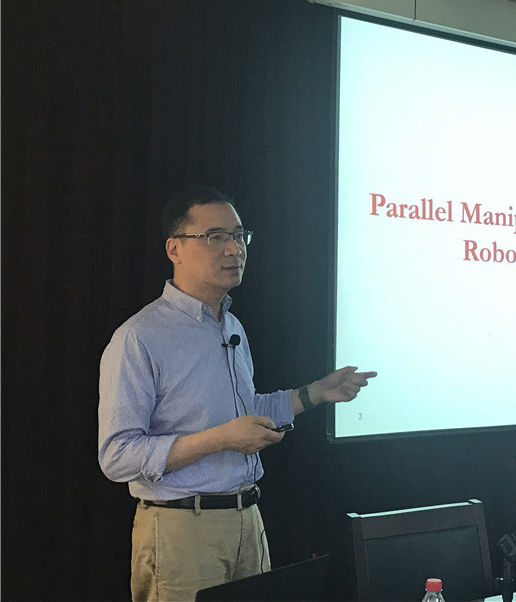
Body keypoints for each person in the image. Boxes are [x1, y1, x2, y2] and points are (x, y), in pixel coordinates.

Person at [98, 185, 376, 601]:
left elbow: (249, 410)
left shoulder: (232, 327)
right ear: (175, 249)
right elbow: (117, 455)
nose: (234, 249)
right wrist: (222, 439)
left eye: (239, 235)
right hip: (181, 529)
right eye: (215, 237)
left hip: (248, 520)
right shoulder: (140, 337)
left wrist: (316, 393)